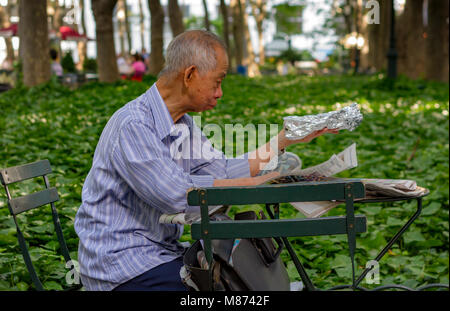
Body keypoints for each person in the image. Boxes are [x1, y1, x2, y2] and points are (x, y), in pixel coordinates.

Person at [74, 30, 338, 291]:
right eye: (217, 81)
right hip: (122, 265)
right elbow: (180, 196)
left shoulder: (182, 123)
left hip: (161, 254)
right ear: (190, 75)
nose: (220, 92)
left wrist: (285, 139)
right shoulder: (133, 125)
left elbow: (220, 171)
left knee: (244, 280)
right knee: (232, 290)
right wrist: (261, 181)